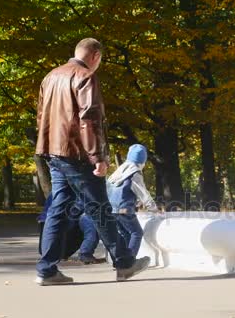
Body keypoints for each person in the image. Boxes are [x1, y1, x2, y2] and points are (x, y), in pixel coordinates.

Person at [35, 38, 150, 285]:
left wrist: (46, 149)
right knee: (99, 208)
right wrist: (97, 157)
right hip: (78, 154)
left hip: (54, 153)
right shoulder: (85, 76)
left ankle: (46, 270)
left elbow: (41, 117)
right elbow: (89, 120)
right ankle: (124, 263)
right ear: (95, 56)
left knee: (58, 208)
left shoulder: (51, 76)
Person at [107, 144, 159, 257]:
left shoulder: (120, 171)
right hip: (124, 209)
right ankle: (129, 261)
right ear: (142, 160)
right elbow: (143, 193)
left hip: (112, 208)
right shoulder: (134, 173)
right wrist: (153, 208)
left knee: (126, 234)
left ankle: (122, 260)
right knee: (137, 233)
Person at [37, 194, 101, 264]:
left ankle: (55, 254)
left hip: (48, 225)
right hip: (64, 223)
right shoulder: (82, 190)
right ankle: (85, 253)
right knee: (90, 222)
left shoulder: (55, 190)